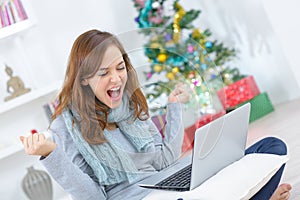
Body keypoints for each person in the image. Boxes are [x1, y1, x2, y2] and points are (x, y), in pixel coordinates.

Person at [20, 29, 291, 200]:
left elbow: (165, 161)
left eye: (120, 67)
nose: (116, 79)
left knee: (271, 147)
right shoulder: (64, 128)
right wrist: (51, 154)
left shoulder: (129, 104)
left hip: (174, 179)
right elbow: (92, 196)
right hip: (139, 197)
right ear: (83, 80)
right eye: (103, 73)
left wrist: (173, 108)